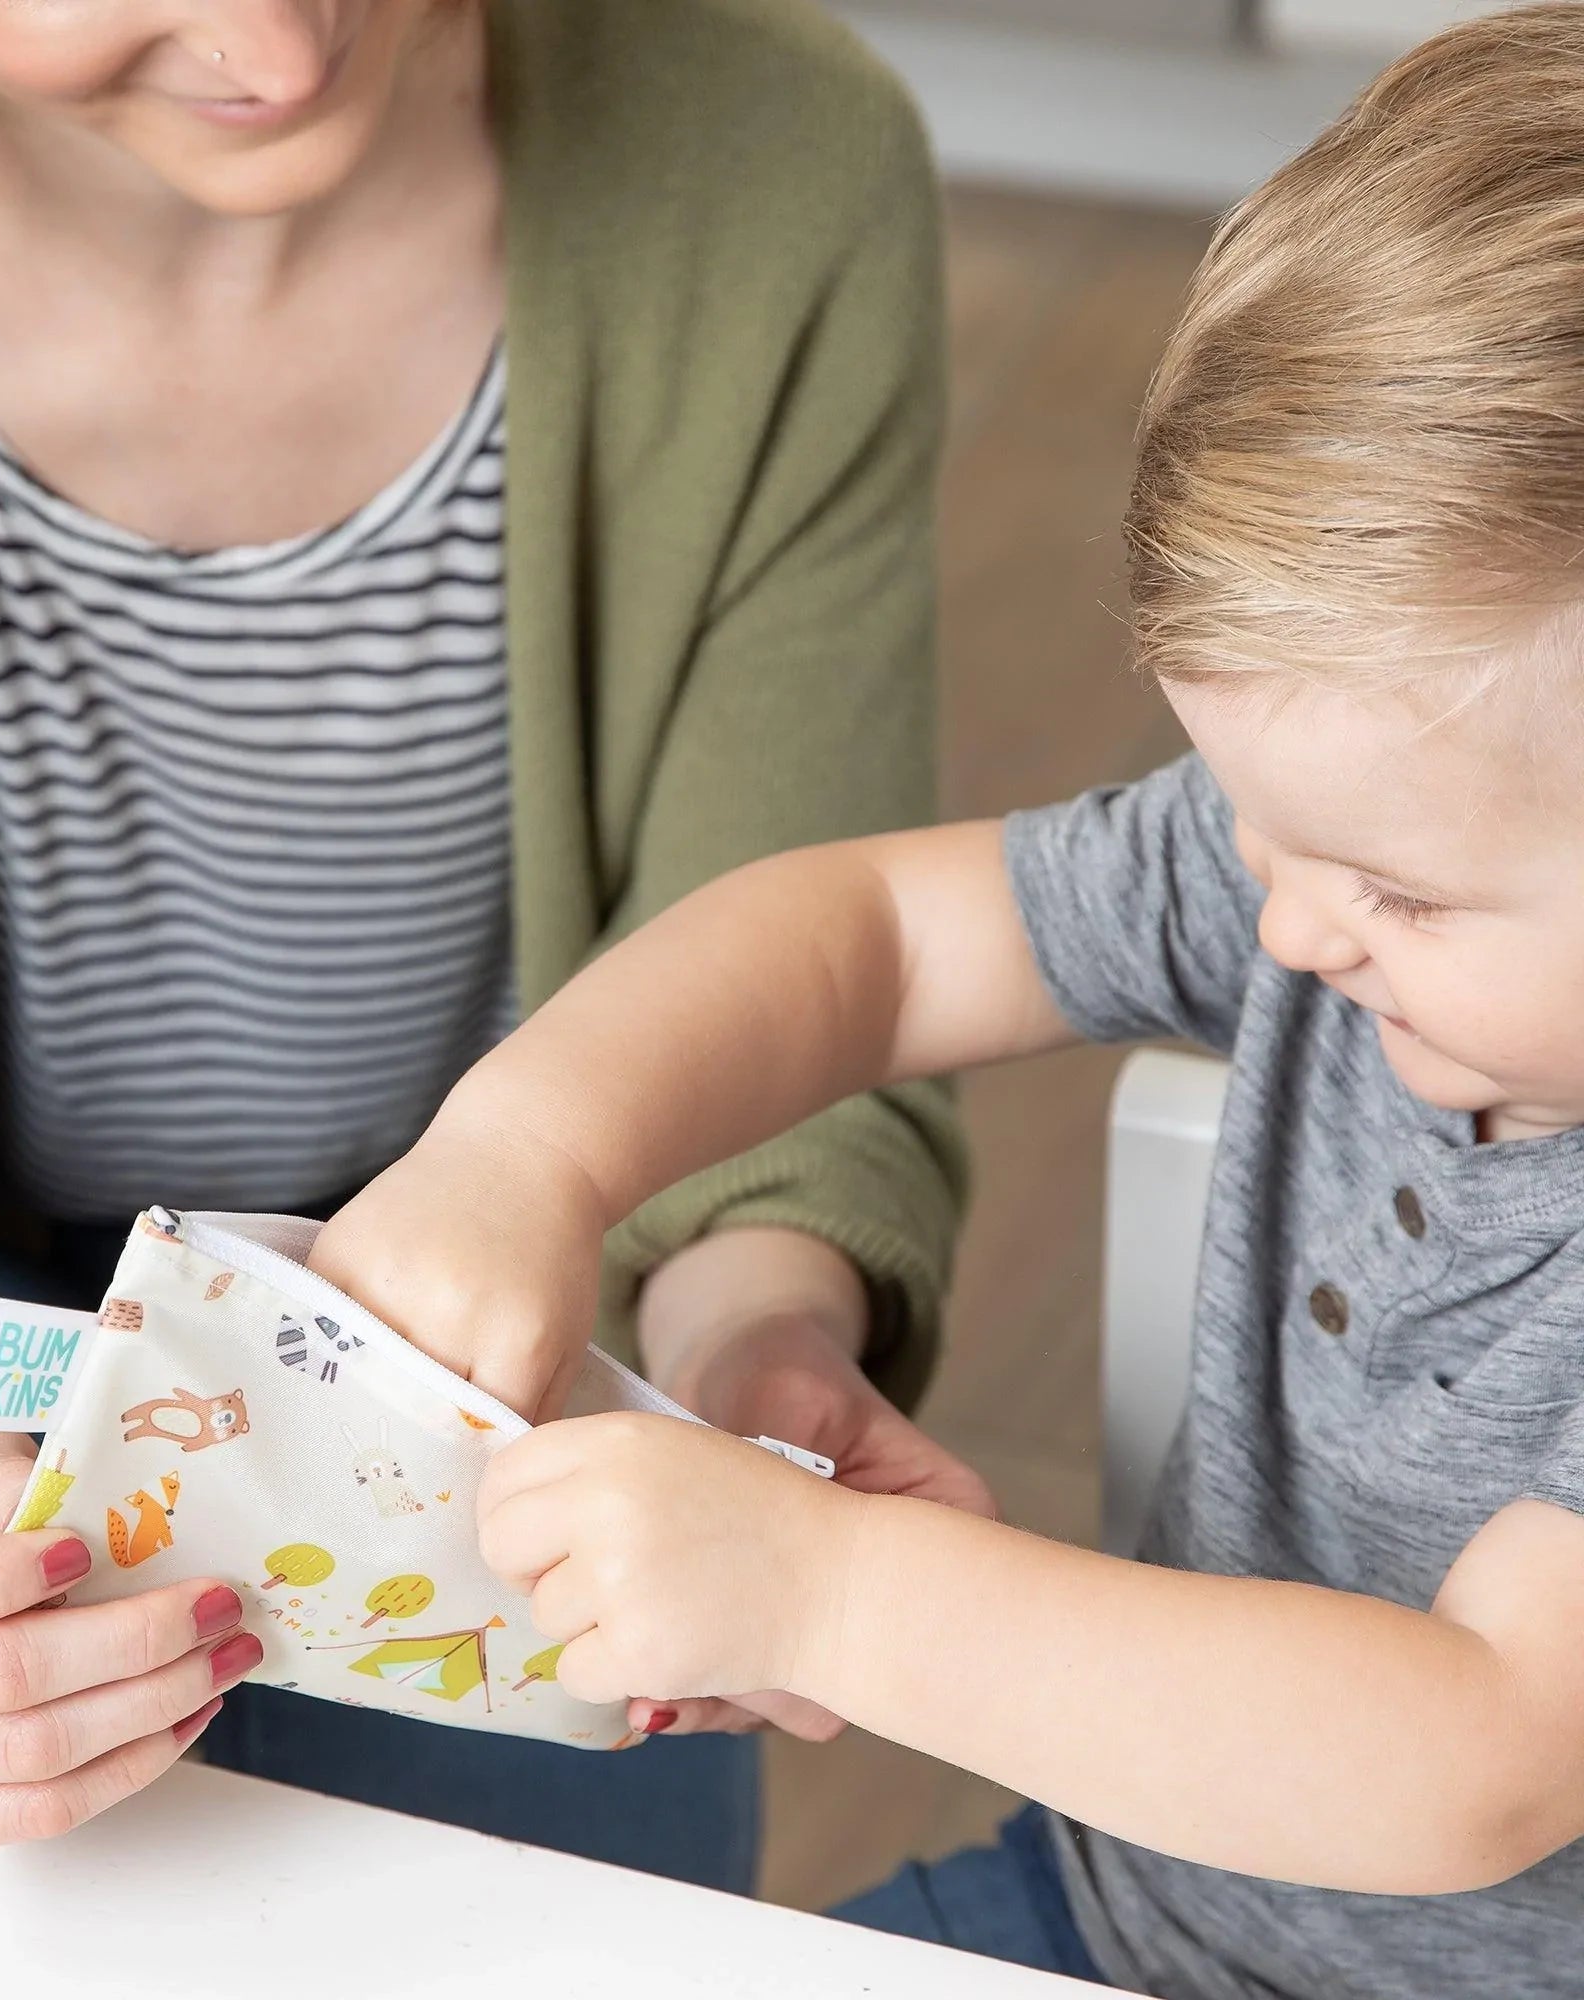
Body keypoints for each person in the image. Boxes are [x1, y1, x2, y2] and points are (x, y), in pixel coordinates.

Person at [0, 0, 980, 1881]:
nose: (285, 47)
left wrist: (750, 1339)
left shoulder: (781, 164)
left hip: (513, 1306)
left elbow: (798, 977)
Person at [307, 9, 1584, 1992]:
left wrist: (825, 1592)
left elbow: (1479, 1753)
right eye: (1257, 829)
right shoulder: (1338, 866)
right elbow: (879, 937)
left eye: (1396, 892)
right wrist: (529, 1149)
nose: (1289, 928)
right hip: (1124, 1911)